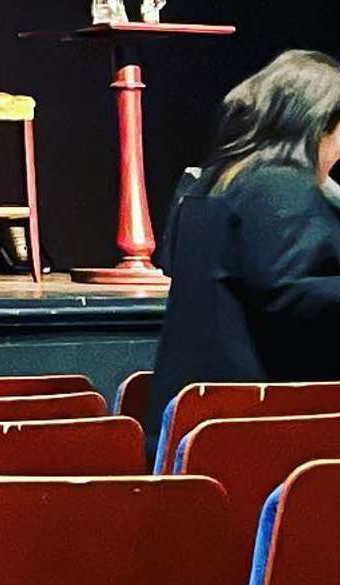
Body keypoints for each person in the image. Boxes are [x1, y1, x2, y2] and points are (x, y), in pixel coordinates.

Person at [146, 49, 340, 456]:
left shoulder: (209, 184)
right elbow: (290, 295)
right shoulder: (279, 187)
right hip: (253, 429)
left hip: (191, 420)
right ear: (316, 124)